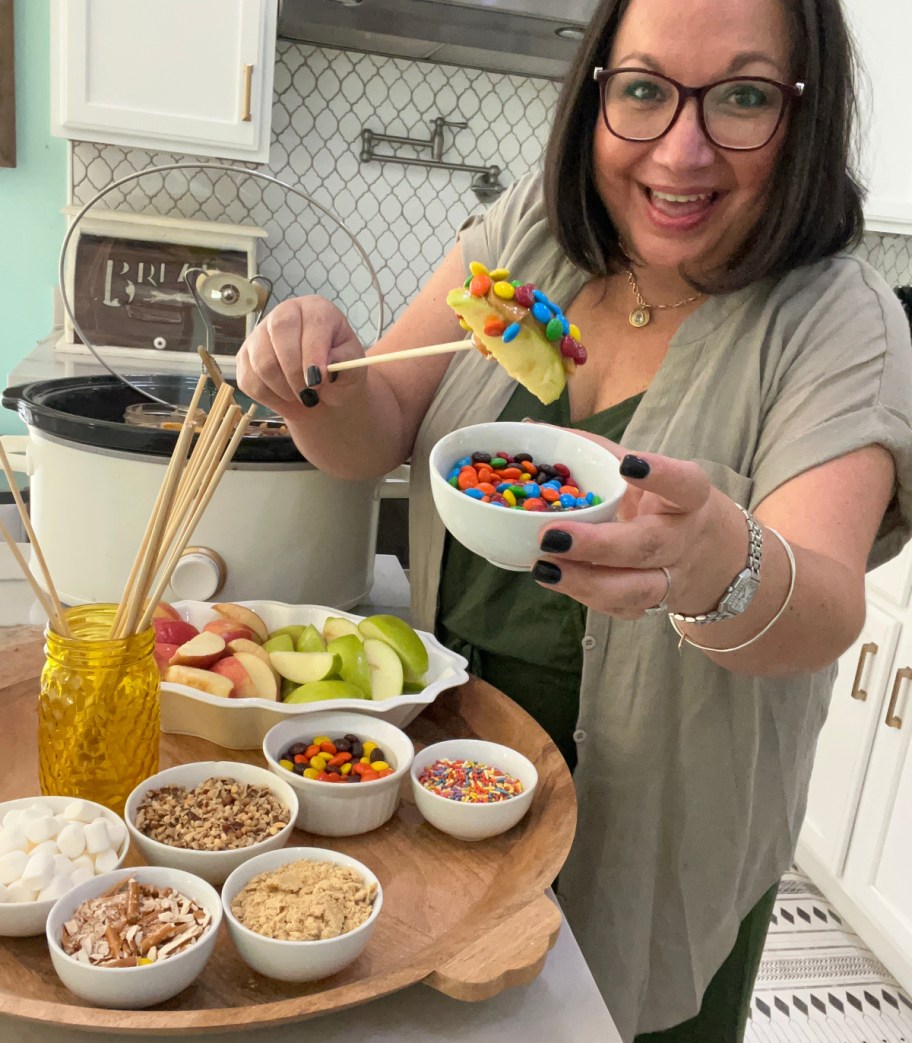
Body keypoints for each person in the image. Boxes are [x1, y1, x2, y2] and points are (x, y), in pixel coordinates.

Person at [236, 0, 912, 1037]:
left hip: (658, 822)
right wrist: (313, 382)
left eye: (741, 98)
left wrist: (713, 558)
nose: (681, 151)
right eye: (643, 90)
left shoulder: (836, 318)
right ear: (596, 94)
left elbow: (823, 604)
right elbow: (378, 429)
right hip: (445, 772)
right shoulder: (530, 242)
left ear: (804, 114)